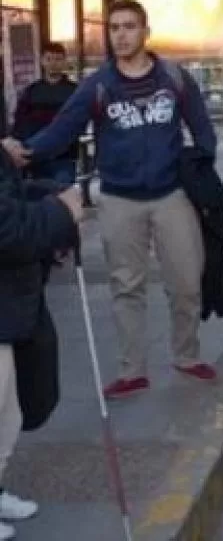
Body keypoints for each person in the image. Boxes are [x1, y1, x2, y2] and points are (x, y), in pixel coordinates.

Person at [1, 0, 219, 400]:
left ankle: (186, 356)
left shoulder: (173, 77)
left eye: (129, 26)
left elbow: (202, 127)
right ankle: (132, 369)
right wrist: (21, 153)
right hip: (119, 199)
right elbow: (63, 129)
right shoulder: (98, 85)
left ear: (145, 32)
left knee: (187, 281)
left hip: (171, 195)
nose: (120, 35)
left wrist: (202, 164)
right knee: (126, 287)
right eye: (114, 28)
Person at [0, 139, 84, 539]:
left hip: (11, 305)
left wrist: (47, 193)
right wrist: (60, 212)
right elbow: (9, 231)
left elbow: (10, 198)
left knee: (9, 411)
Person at [12, 42, 79, 185]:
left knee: (62, 200)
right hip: (37, 158)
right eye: (49, 59)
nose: (53, 63)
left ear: (64, 61)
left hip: (64, 158)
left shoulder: (75, 91)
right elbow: (20, 123)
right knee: (40, 200)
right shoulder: (31, 91)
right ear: (42, 61)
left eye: (58, 59)